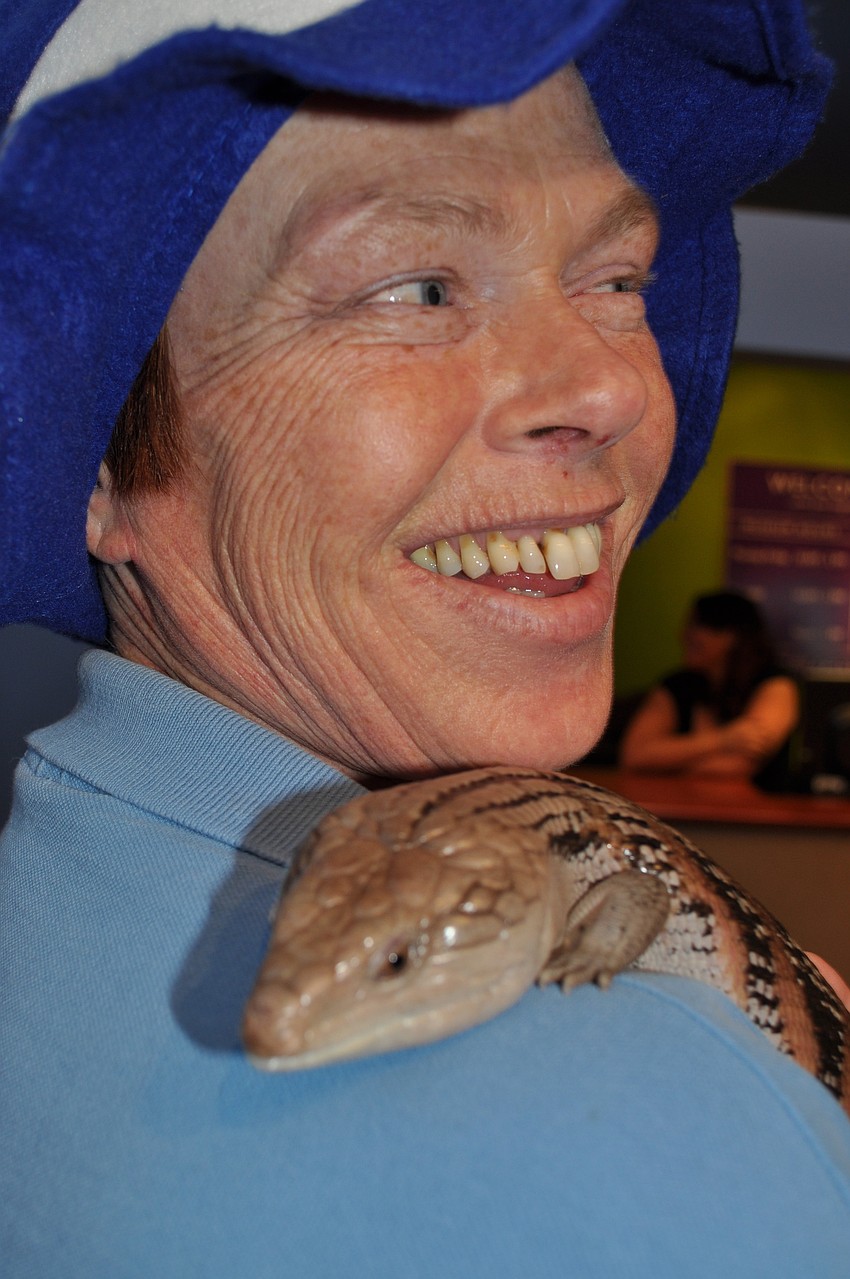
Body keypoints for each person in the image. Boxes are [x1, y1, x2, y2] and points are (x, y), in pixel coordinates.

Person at [2, 3, 849, 1276]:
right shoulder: (633, 1140)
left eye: (617, 280)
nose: (614, 384)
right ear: (101, 465)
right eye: (417, 286)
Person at [619, 589, 800, 783]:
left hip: (755, 809)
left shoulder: (775, 683)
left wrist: (665, 763)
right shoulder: (677, 684)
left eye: (696, 625)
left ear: (730, 635)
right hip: (681, 803)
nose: (684, 634)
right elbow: (635, 755)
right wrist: (725, 739)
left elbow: (741, 764)